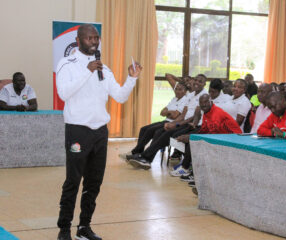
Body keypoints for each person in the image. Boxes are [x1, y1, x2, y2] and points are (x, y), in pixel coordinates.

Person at [55, 24, 142, 240]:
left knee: (94, 183)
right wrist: (88, 71)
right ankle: (64, 229)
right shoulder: (67, 64)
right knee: (73, 182)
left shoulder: (105, 68)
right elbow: (64, 93)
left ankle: (84, 227)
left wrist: (132, 78)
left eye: (97, 38)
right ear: (78, 40)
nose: (94, 42)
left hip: (100, 133)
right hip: (78, 131)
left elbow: (120, 97)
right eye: (89, 38)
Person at [129, 74, 208, 169]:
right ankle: (147, 159)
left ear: (204, 84)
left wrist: (176, 124)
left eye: (200, 81)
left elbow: (194, 116)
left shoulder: (204, 96)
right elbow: (183, 114)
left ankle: (145, 157)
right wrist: (172, 123)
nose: (197, 82)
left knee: (166, 135)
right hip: (184, 122)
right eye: (196, 80)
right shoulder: (191, 95)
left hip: (193, 125)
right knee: (159, 132)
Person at [170, 94, 242, 177]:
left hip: (233, 139)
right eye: (201, 103)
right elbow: (204, 130)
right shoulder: (207, 113)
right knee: (191, 140)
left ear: (211, 102)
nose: (204, 104)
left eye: (206, 102)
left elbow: (212, 134)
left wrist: (191, 137)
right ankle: (188, 169)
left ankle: (188, 170)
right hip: (222, 136)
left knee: (195, 142)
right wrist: (189, 136)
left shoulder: (216, 113)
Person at [123, 82, 188, 160]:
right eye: (176, 89)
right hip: (166, 120)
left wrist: (168, 112)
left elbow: (175, 116)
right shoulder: (174, 99)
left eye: (180, 89)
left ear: (185, 91)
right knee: (143, 129)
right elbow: (162, 112)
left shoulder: (185, 100)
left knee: (152, 131)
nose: (177, 91)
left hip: (171, 123)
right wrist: (169, 112)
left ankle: (140, 155)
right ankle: (137, 153)